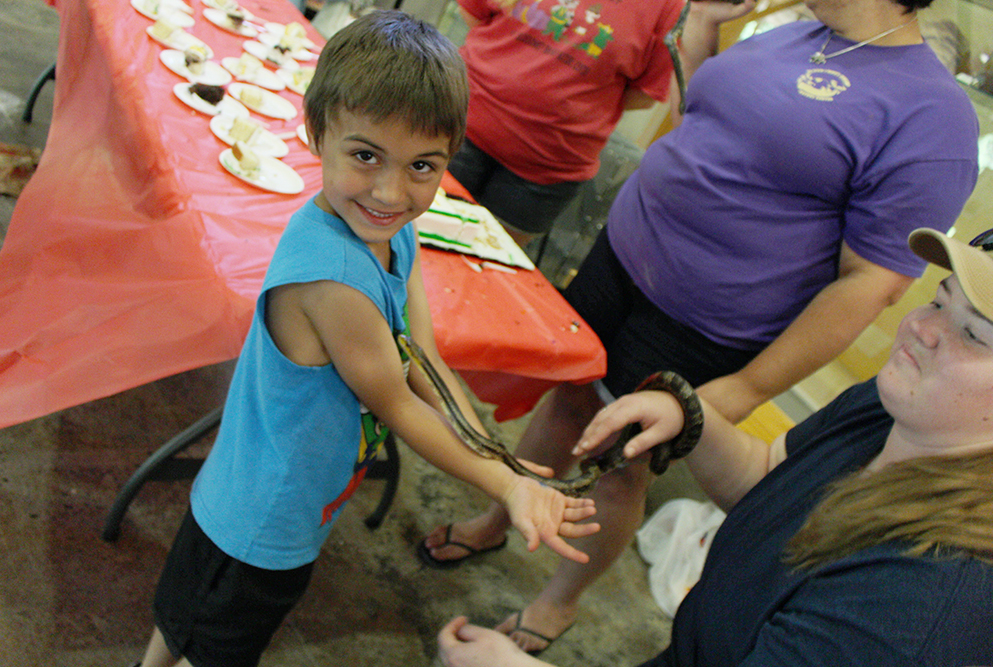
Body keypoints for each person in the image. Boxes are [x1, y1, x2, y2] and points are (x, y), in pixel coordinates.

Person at [420, 0, 981, 652]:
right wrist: (706, 28)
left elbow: (870, 283)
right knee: (569, 394)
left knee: (623, 465)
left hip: (709, 319)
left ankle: (558, 601)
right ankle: (502, 512)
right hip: (624, 255)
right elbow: (702, 120)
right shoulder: (799, 33)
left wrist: (740, 391)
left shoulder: (931, 117)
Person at [133, 12, 599, 667]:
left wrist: (508, 462)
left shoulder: (390, 233)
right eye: (365, 155)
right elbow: (402, 404)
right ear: (316, 132)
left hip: (271, 499)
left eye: (422, 166)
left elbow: (427, 364)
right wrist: (504, 485)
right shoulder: (336, 279)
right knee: (209, 645)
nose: (391, 190)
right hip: (258, 522)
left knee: (186, 621)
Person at [437, 225, 993, 666]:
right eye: (939, 302)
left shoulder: (920, 610)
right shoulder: (895, 407)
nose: (923, 329)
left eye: (973, 334)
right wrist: (687, 416)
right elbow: (771, 479)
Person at [445, 0, 693, 248]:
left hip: (546, 170)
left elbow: (644, 94)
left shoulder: (670, 7)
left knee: (483, 267)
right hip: (456, 127)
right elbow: (473, 12)